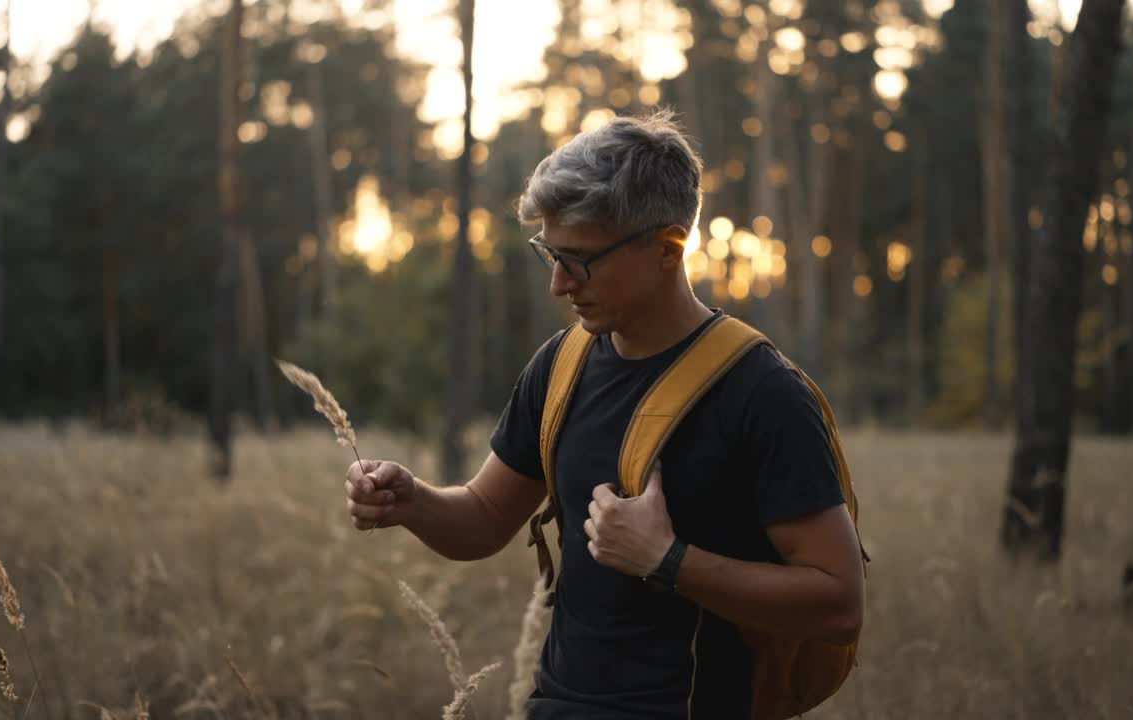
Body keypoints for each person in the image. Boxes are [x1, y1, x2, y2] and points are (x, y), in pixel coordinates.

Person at [345, 109, 865, 719]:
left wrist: (668, 562)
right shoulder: (562, 364)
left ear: (669, 248)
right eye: (550, 255)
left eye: (580, 261)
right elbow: (485, 517)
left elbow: (838, 603)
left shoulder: (761, 393)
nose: (559, 285)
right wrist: (415, 502)